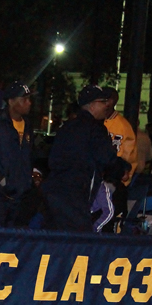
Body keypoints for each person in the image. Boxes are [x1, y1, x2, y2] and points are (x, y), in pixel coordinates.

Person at [42, 85, 128, 232]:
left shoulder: (67, 127)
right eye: (103, 101)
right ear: (92, 105)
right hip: (75, 195)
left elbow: (52, 159)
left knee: (54, 241)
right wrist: (123, 170)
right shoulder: (95, 128)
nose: (107, 105)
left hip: (53, 193)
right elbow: (107, 158)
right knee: (79, 242)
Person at [0, 80, 35, 227]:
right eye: (24, 99)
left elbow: (28, 155)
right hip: (1, 196)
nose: (29, 103)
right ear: (11, 101)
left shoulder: (28, 125)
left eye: (29, 99)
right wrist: (1, 179)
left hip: (22, 195)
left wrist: (33, 173)